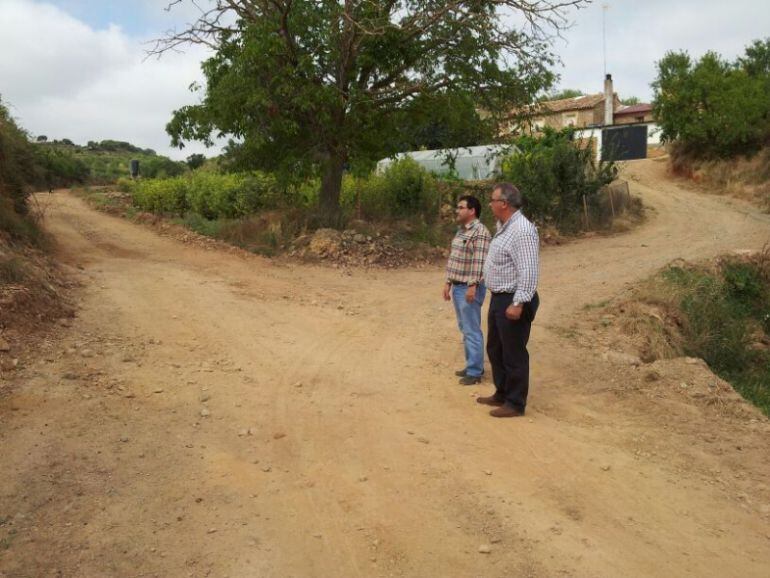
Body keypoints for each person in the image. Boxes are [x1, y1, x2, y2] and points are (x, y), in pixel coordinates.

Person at [477, 183, 540, 417]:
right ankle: (502, 392)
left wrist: (519, 302)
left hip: (513, 298)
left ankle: (515, 403)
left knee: (513, 352)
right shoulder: (504, 227)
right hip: (499, 297)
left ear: (504, 203)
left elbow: (529, 270)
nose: (490, 204)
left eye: (493, 200)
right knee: (495, 348)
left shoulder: (522, 230)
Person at [443, 195, 491, 385]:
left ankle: (475, 372)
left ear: (472, 211)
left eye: (461, 207)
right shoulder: (461, 231)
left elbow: (480, 262)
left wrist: (473, 286)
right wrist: (448, 282)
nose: (457, 210)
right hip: (458, 286)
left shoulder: (480, 232)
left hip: (469, 288)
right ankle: (472, 364)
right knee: (465, 328)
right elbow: (454, 259)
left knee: (471, 329)